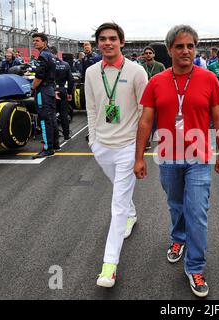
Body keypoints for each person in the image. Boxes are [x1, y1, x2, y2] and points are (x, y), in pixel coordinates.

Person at [134, 24, 219, 298]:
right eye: (179, 46)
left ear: (195, 49)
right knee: (176, 205)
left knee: (197, 211)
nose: (185, 51)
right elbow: (146, 121)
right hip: (168, 157)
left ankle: (195, 266)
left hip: (199, 157)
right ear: (170, 49)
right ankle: (178, 239)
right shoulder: (156, 82)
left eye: (190, 46)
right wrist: (139, 157)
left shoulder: (209, 79)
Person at [85, 22, 148, 288]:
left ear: (122, 42)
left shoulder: (136, 71)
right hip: (102, 147)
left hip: (127, 148)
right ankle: (132, 215)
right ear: (98, 43)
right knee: (120, 194)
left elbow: (146, 111)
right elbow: (90, 106)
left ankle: (109, 266)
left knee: (117, 204)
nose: (107, 43)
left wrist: (139, 151)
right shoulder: (90, 72)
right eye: (102, 39)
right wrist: (93, 141)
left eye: (112, 38)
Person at [31, 33, 59, 159]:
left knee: (43, 119)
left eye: (37, 40)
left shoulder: (43, 56)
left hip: (43, 91)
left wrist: (32, 87)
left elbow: (39, 76)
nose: (34, 43)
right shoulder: (51, 55)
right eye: (34, 41)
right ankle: (55, 144)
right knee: (52, 117)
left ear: (45, 42)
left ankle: (48, 148)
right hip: (51, 90)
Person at [51, 46, 74, 141]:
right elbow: (71, 80)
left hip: (51, 91)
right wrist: (69, 92)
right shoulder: (65, 64)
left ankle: (53, 138)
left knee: (51, 115)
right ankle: (66, 135)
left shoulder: (48, 64)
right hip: (62, 90)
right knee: (64, 114)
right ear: (57, 53)